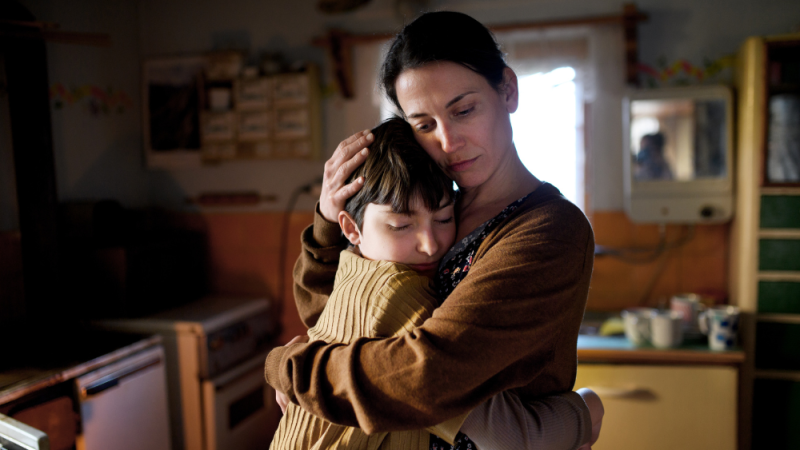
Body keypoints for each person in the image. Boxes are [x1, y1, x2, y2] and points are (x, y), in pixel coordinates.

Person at [265, 11, 602, 450]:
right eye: (423, 124)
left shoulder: (548, 230)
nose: (447, 140)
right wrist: (330, 223)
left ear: (508, 90)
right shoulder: (438, 209)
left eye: (463, 110)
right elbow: (343, 319)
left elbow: (428, 378)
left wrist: (289, 369)